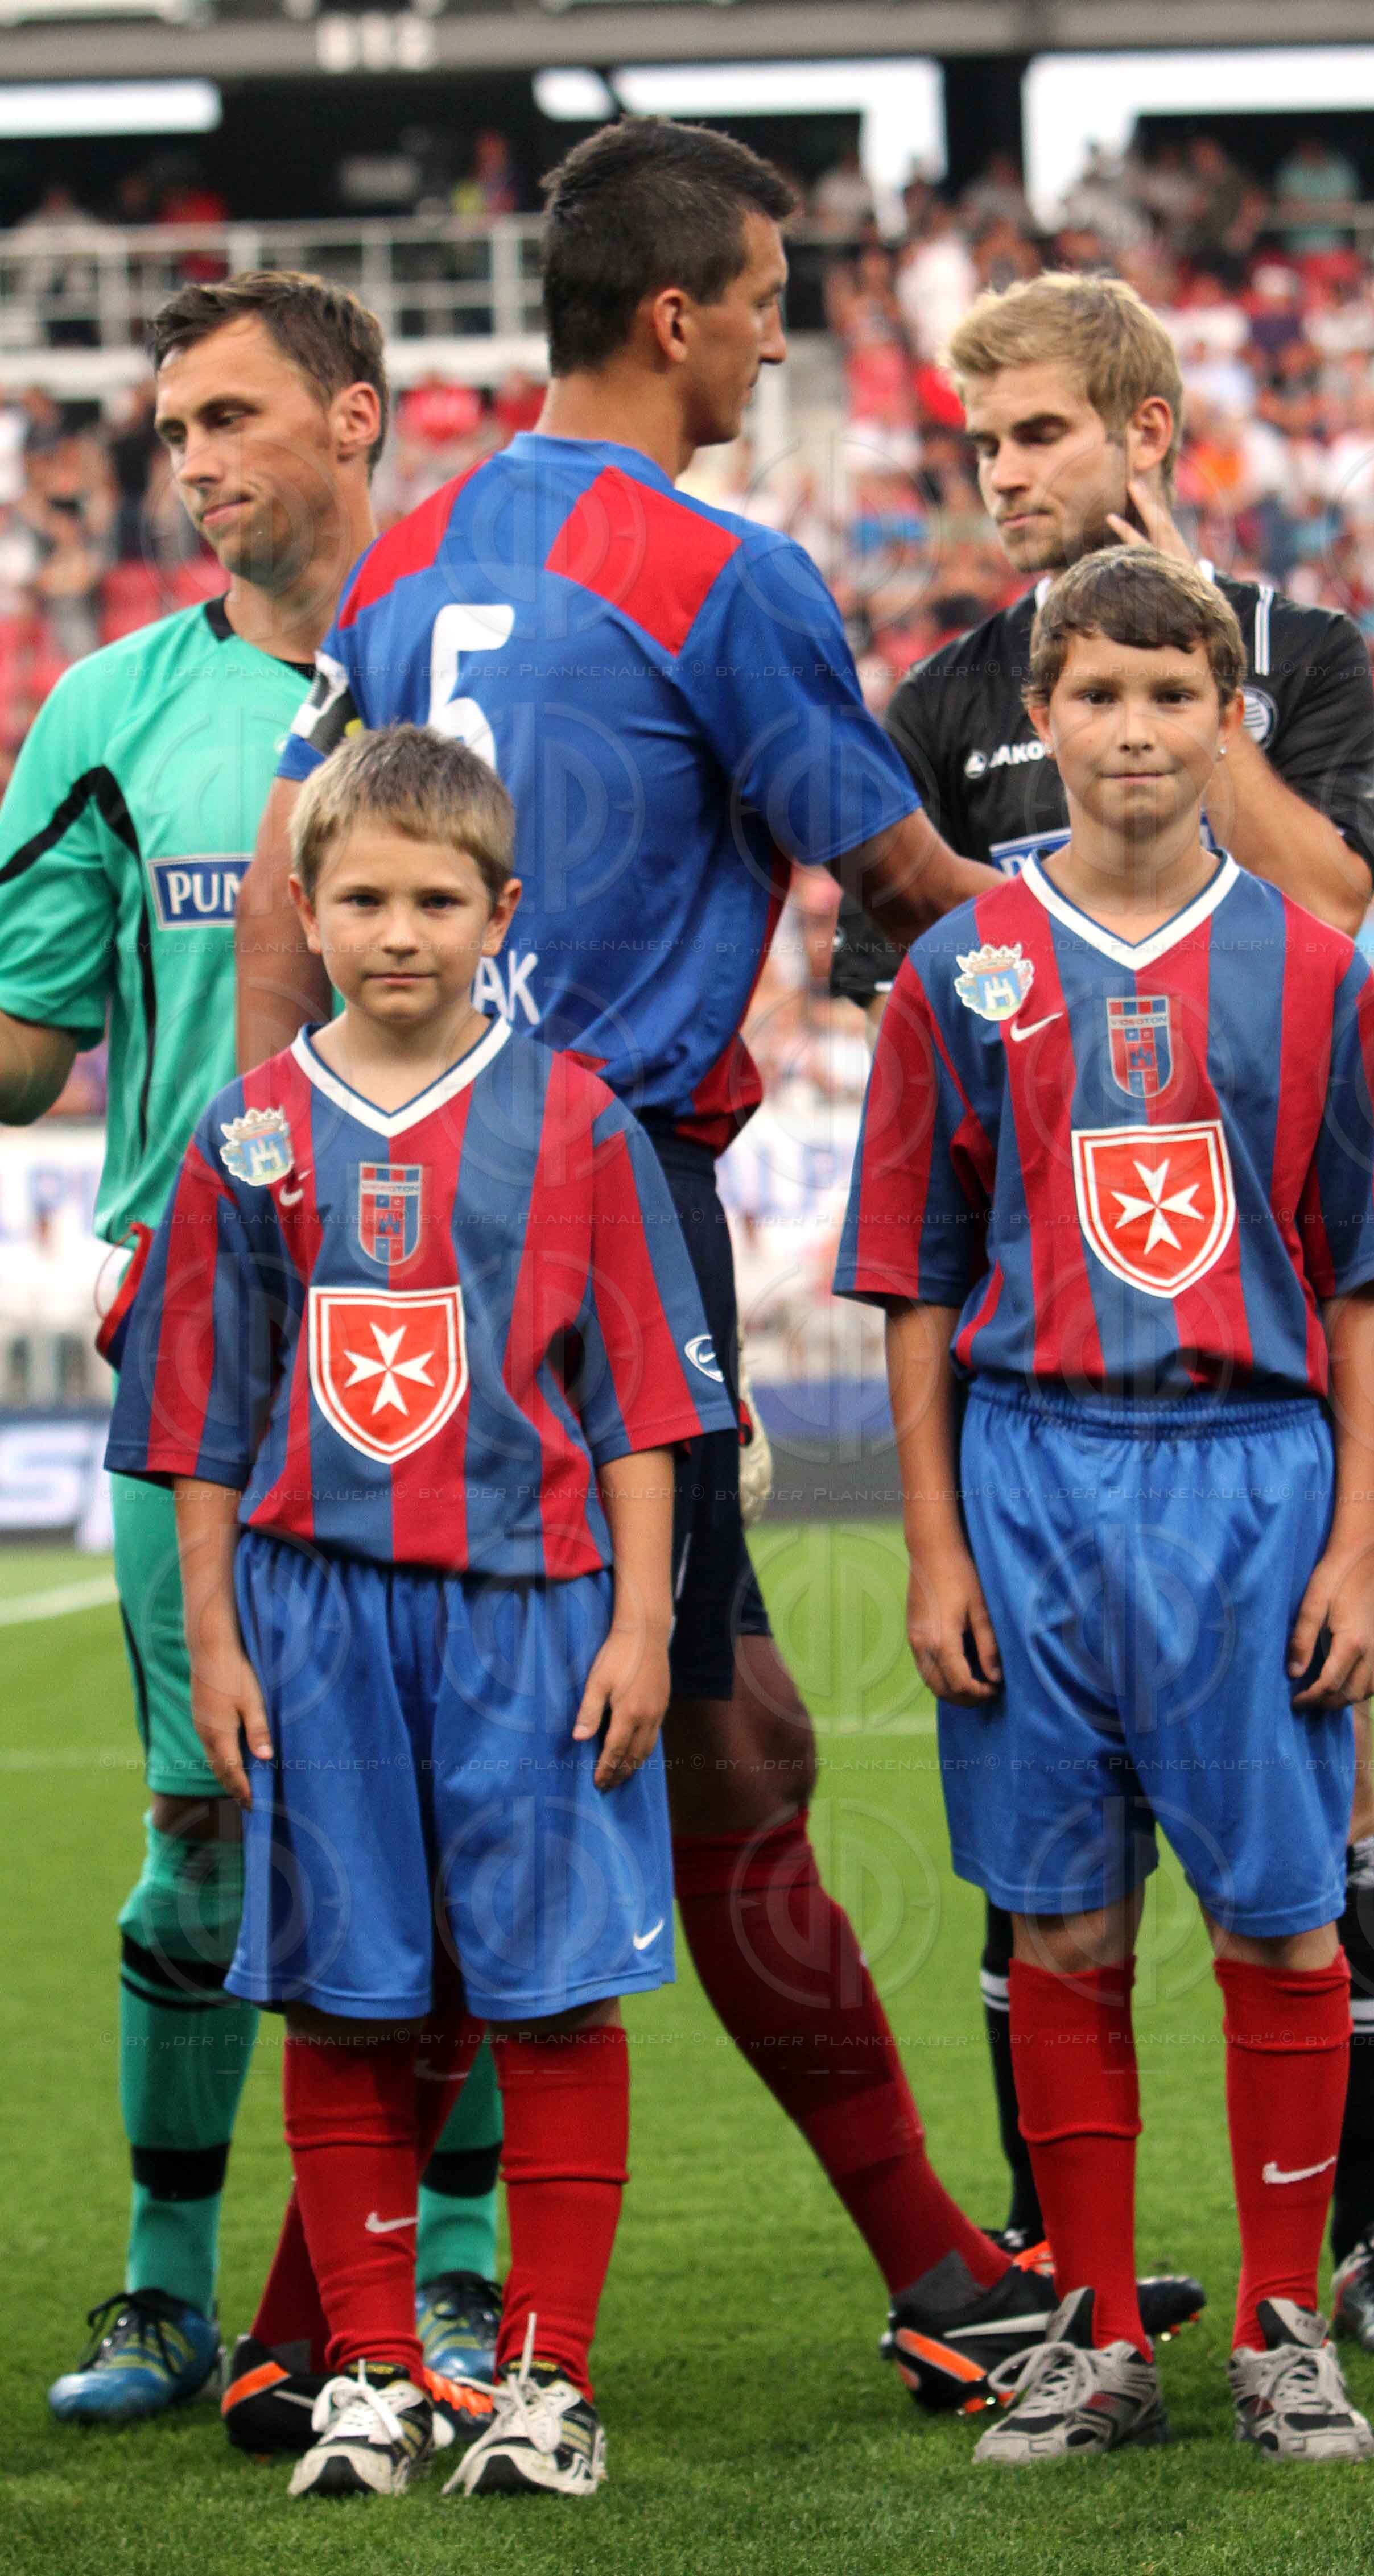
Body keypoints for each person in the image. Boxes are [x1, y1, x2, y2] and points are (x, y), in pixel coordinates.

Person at [230, 117, 1072, 2397]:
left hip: (395, 1202)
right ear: (677, 314)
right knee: (680, 1747)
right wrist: (1122, 989)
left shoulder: (420, 558)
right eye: (778, 290)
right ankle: (920, 2280)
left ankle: (317, 2320)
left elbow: (298, 878)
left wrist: (258, 1157)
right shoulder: (716, 564)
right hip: (595, 1210)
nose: (794, 325)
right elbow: (896, 878)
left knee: (719, 1732)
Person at [831, 267, 1374, 2372]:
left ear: (1142, 430)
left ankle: (1345, 2252)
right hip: (1036, 1421)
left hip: (1244, 1430)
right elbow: (923, 1082)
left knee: (1315, 1851)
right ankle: (1073, 2276)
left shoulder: (1301, 669)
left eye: (1033, 434)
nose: (1000, 474)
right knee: (1057, 1892)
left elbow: (1330, 916)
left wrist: (1205, 679)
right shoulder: (942, 714)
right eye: (979, 444)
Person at [106, 724, 729, 2498]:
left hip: (532, 1618)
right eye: (364, 896)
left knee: (550, 2003)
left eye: (437, 898)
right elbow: (204, 1430)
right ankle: (369, 2368)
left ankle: (548, 2376)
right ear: (303, 908)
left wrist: (641, 1627)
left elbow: (642, 1412)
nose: (399, 930)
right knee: (344, 1996)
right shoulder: (249, 1136)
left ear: (499, 912)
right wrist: (215, 1639)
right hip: (314, 1622)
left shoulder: (580, 1121)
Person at [0, 272, 504, 2429]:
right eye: (169, 425)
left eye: (229, 416)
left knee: (468, 1824)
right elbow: (24, 1059)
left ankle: (466, 2284)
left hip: (462, 1334)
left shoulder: (496, 675)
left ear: (357, 417)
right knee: (201, 1818)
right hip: (195, 1337)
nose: (191, 460)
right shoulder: (107, 708)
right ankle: (162, 2287)